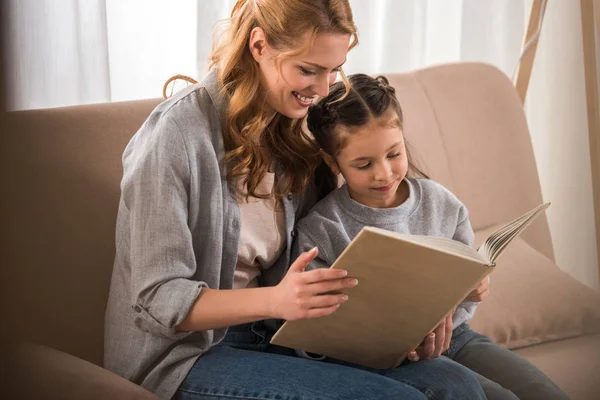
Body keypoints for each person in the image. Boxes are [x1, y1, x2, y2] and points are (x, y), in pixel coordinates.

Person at [104, 1, 489, 399]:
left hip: (279, 336)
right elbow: (156, 298)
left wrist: (416, 313)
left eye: (333, 70)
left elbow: (343, 241)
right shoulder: (175, 136)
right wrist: (276, 300)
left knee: (455, 385)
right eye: (308, 70)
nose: (323, 90)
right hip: (189, 356)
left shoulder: (292, 128)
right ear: (259, 46)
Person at [294, 72, 571, 400]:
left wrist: (472, 289)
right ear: (333, 161)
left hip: (455, 337)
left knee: (544, 392)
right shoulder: (323, 228)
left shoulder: (442, 204)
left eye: (394, 154)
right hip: (387, 359)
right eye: (364, 164)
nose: (384, 173)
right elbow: (311, 332)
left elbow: (462, 288)